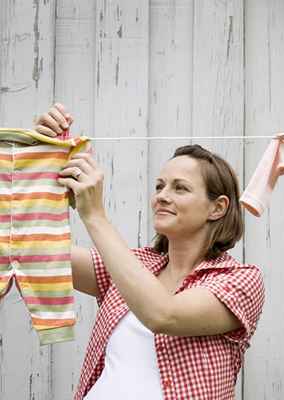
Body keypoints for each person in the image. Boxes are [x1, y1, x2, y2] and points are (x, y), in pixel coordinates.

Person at [34, 104, 265, 400]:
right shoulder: (135, 264)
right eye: (159, 186)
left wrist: (94, 215)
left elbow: (163, 315)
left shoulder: (240, 280)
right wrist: (42, 161)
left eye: (180, 188)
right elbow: (38, 249)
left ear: (217, 207)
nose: (162, 197)